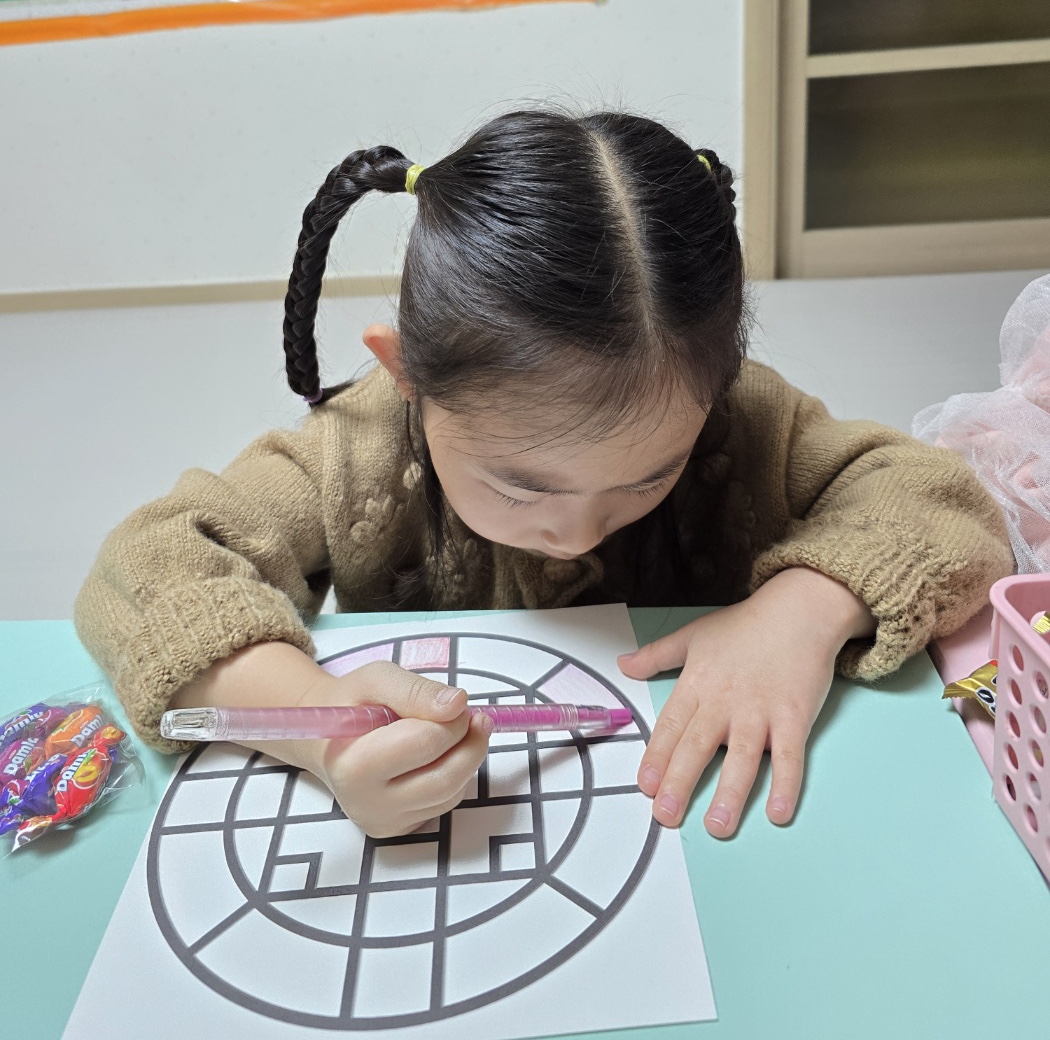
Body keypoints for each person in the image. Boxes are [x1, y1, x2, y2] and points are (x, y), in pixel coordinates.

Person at [75, 109, 1012, 842]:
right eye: (522, 488)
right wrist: (314, 722)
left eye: (647, 477)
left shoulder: (743, 418)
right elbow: (147, 563)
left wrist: (801, 610)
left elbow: (941, 502)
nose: (578, 531)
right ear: (408, 376)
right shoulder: (356, 450)